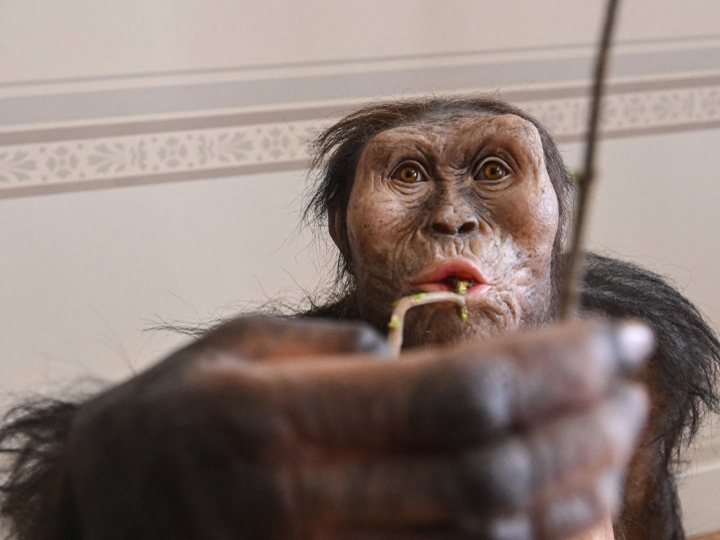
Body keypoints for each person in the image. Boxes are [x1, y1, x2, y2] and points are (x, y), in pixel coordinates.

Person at [1, 97, 718, 540]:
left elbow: (645, 517)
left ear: (559, 225)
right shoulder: (286, 385)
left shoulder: (632, 333)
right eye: (406, 175)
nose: (451, 217)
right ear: (346, 239)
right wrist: (93, 487)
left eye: (496, 171)